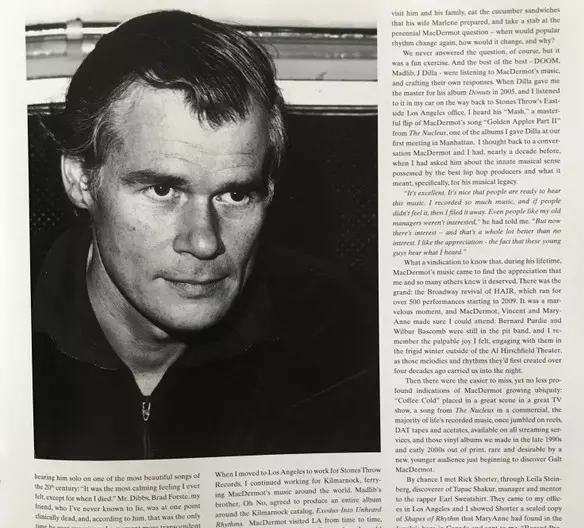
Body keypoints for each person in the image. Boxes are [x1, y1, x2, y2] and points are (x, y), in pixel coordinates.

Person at [32, 10, 379, 460]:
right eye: (163, 190)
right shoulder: (15, 331)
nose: (204, 241)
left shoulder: (335, 335)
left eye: (235, 194)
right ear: (81, 179)